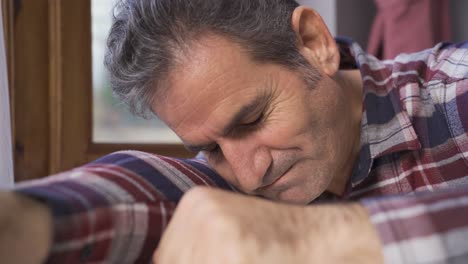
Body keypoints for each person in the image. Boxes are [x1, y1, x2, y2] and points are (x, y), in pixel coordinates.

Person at [1, 0, 468, 263]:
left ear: (313, 44)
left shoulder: (455, 88)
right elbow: (156, 192)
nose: (248, 176)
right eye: (210, 148)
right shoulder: (235, 170)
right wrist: (27, 221)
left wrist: (312, 239)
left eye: (251, 120)